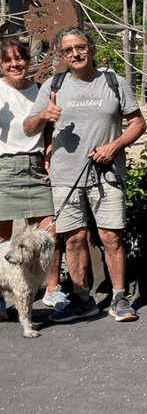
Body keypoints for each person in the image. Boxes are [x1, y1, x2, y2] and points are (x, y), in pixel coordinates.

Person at [24, 27, 146, 323]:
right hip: (66, 176)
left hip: (107, 174)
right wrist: (43, 116)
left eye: (80, 47)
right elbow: (28, 127)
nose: (75, 54)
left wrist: (115, 145)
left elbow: (137, 123)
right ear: (62, 55)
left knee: (111, 236)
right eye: (68, 50)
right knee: (73, 239)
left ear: (91, 49)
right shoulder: (53, 85)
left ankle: (119, 297)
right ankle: (83, 299)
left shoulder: (112, 82)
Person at [0, 39, 65, 320]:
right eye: (8, 60)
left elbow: (49, 130)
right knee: (2, 237)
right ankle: (1, 297)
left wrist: (49, 153)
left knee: (47, 233)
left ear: (28, 60)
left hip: (36, 165)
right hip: (3, 166)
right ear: (1, 65)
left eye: (19, 58)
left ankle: (51, 290)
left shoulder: (40, 90)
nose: (15, 64)